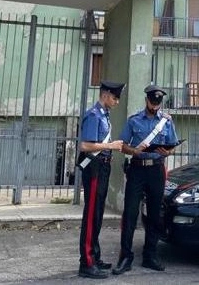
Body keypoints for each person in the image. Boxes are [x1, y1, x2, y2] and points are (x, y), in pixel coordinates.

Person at [112, 84, 179, 275]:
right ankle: (125, 256)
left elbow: (172, 145)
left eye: (158, 102)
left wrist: (167, 151)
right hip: (137, 170)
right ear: (146, 100)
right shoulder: (134, 121)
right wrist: (134, 150)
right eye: (152, 101)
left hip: (156, 171)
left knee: (155, 214)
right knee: (131, 213)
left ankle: (150, 255)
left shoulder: (166, 122)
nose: (155, 105)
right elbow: (122, 145)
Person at [77, 80, 125, 279]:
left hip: (103, 167)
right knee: (91, 215)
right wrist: (111, 146)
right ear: (105, 95)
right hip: (95, 168)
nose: (116, 102)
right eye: (114, 98)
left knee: (97, 214)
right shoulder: (94, 115)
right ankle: (86, 262)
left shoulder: (105, 115)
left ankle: (94, 257)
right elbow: (85, 146)